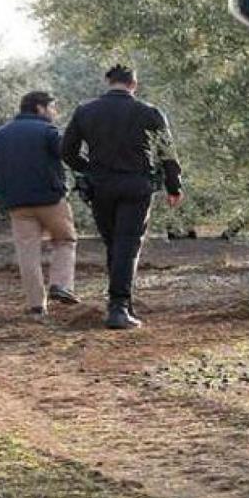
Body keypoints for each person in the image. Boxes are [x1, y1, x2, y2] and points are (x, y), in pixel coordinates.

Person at [61, 65, 184, 329]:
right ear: (134, 84)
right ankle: (118, 307)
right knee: (127, 245)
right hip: (135, 186)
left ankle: (121, 304)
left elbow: (66, 151)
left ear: (108, 82)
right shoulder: (149, 112)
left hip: (101, 187)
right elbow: (167, 153)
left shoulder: (85, 111)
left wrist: (89, 168)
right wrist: (174, 186)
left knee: (114, 244)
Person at [0, 91, 81, 316]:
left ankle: (36, 306)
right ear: (39, 108)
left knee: (28, 252)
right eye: (52, 107)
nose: (54, 112)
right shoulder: (48, 131)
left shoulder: (0, 135)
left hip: (17, 204)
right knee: (65, 239)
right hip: (50, 200)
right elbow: (68, 155)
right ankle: (61, 285)